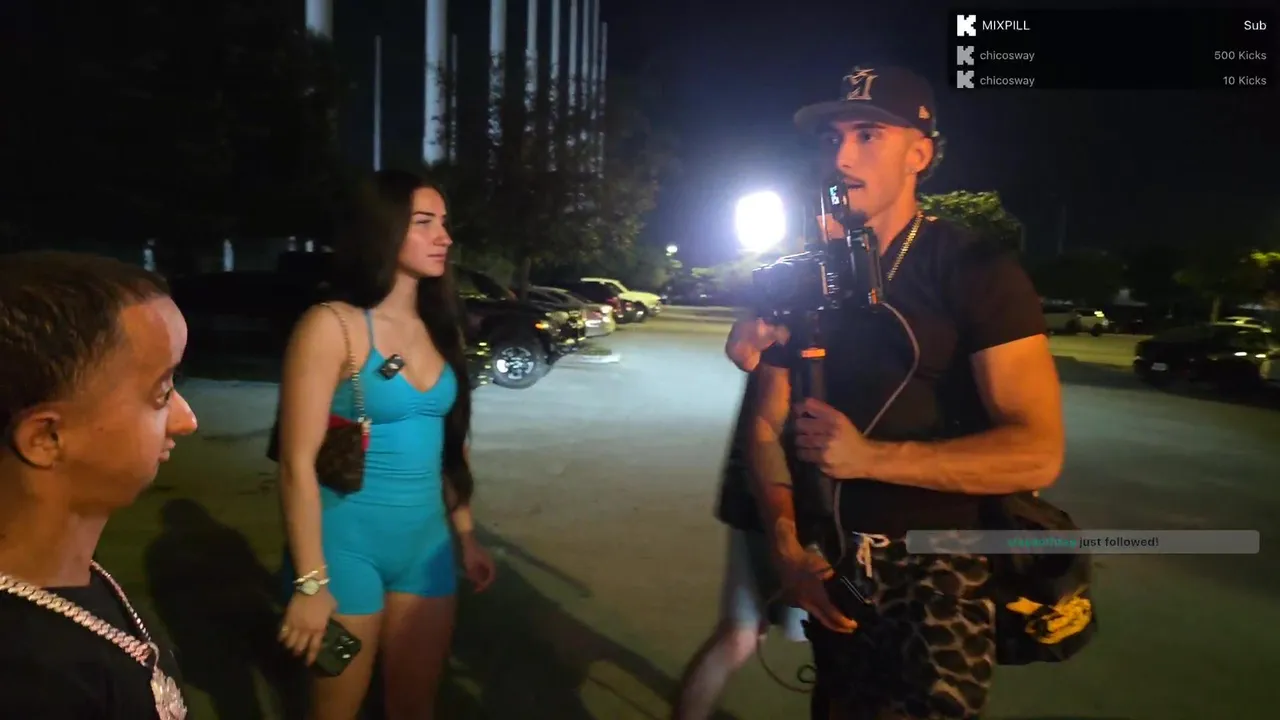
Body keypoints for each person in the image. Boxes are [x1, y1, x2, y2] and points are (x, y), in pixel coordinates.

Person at [738, 66, 1065, 719]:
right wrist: (788, 550)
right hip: (833, 564)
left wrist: (869, 459)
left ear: (919, 154)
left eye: (868, 135)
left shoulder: (975, 270)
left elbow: (1037, 452)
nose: (841, 156)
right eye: (832, 137)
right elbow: (765, 425)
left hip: (942, 569)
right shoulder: (806, 277)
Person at [275, 169, 497, 720]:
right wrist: (310, 583)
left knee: (414, 708)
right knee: (336, 712)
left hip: (427, 549)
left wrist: (466, 535)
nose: (444, 236)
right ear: (384, 230)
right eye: (424, 223)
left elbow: (451, 448)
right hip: (345, 549)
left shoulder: (441, 325)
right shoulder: (331, 325)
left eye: (444, 223)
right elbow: (296, 465)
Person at [0, 251, 199, 718]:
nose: (187, 420)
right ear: (47, 438)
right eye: (161, 393)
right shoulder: (26, 680)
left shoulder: (68, 577)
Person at [671, 368, 807, 720]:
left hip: (764, 502)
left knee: (741, 633)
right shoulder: (799, 341)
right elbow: (764, 423)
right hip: (790, 508)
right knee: (842, 644)